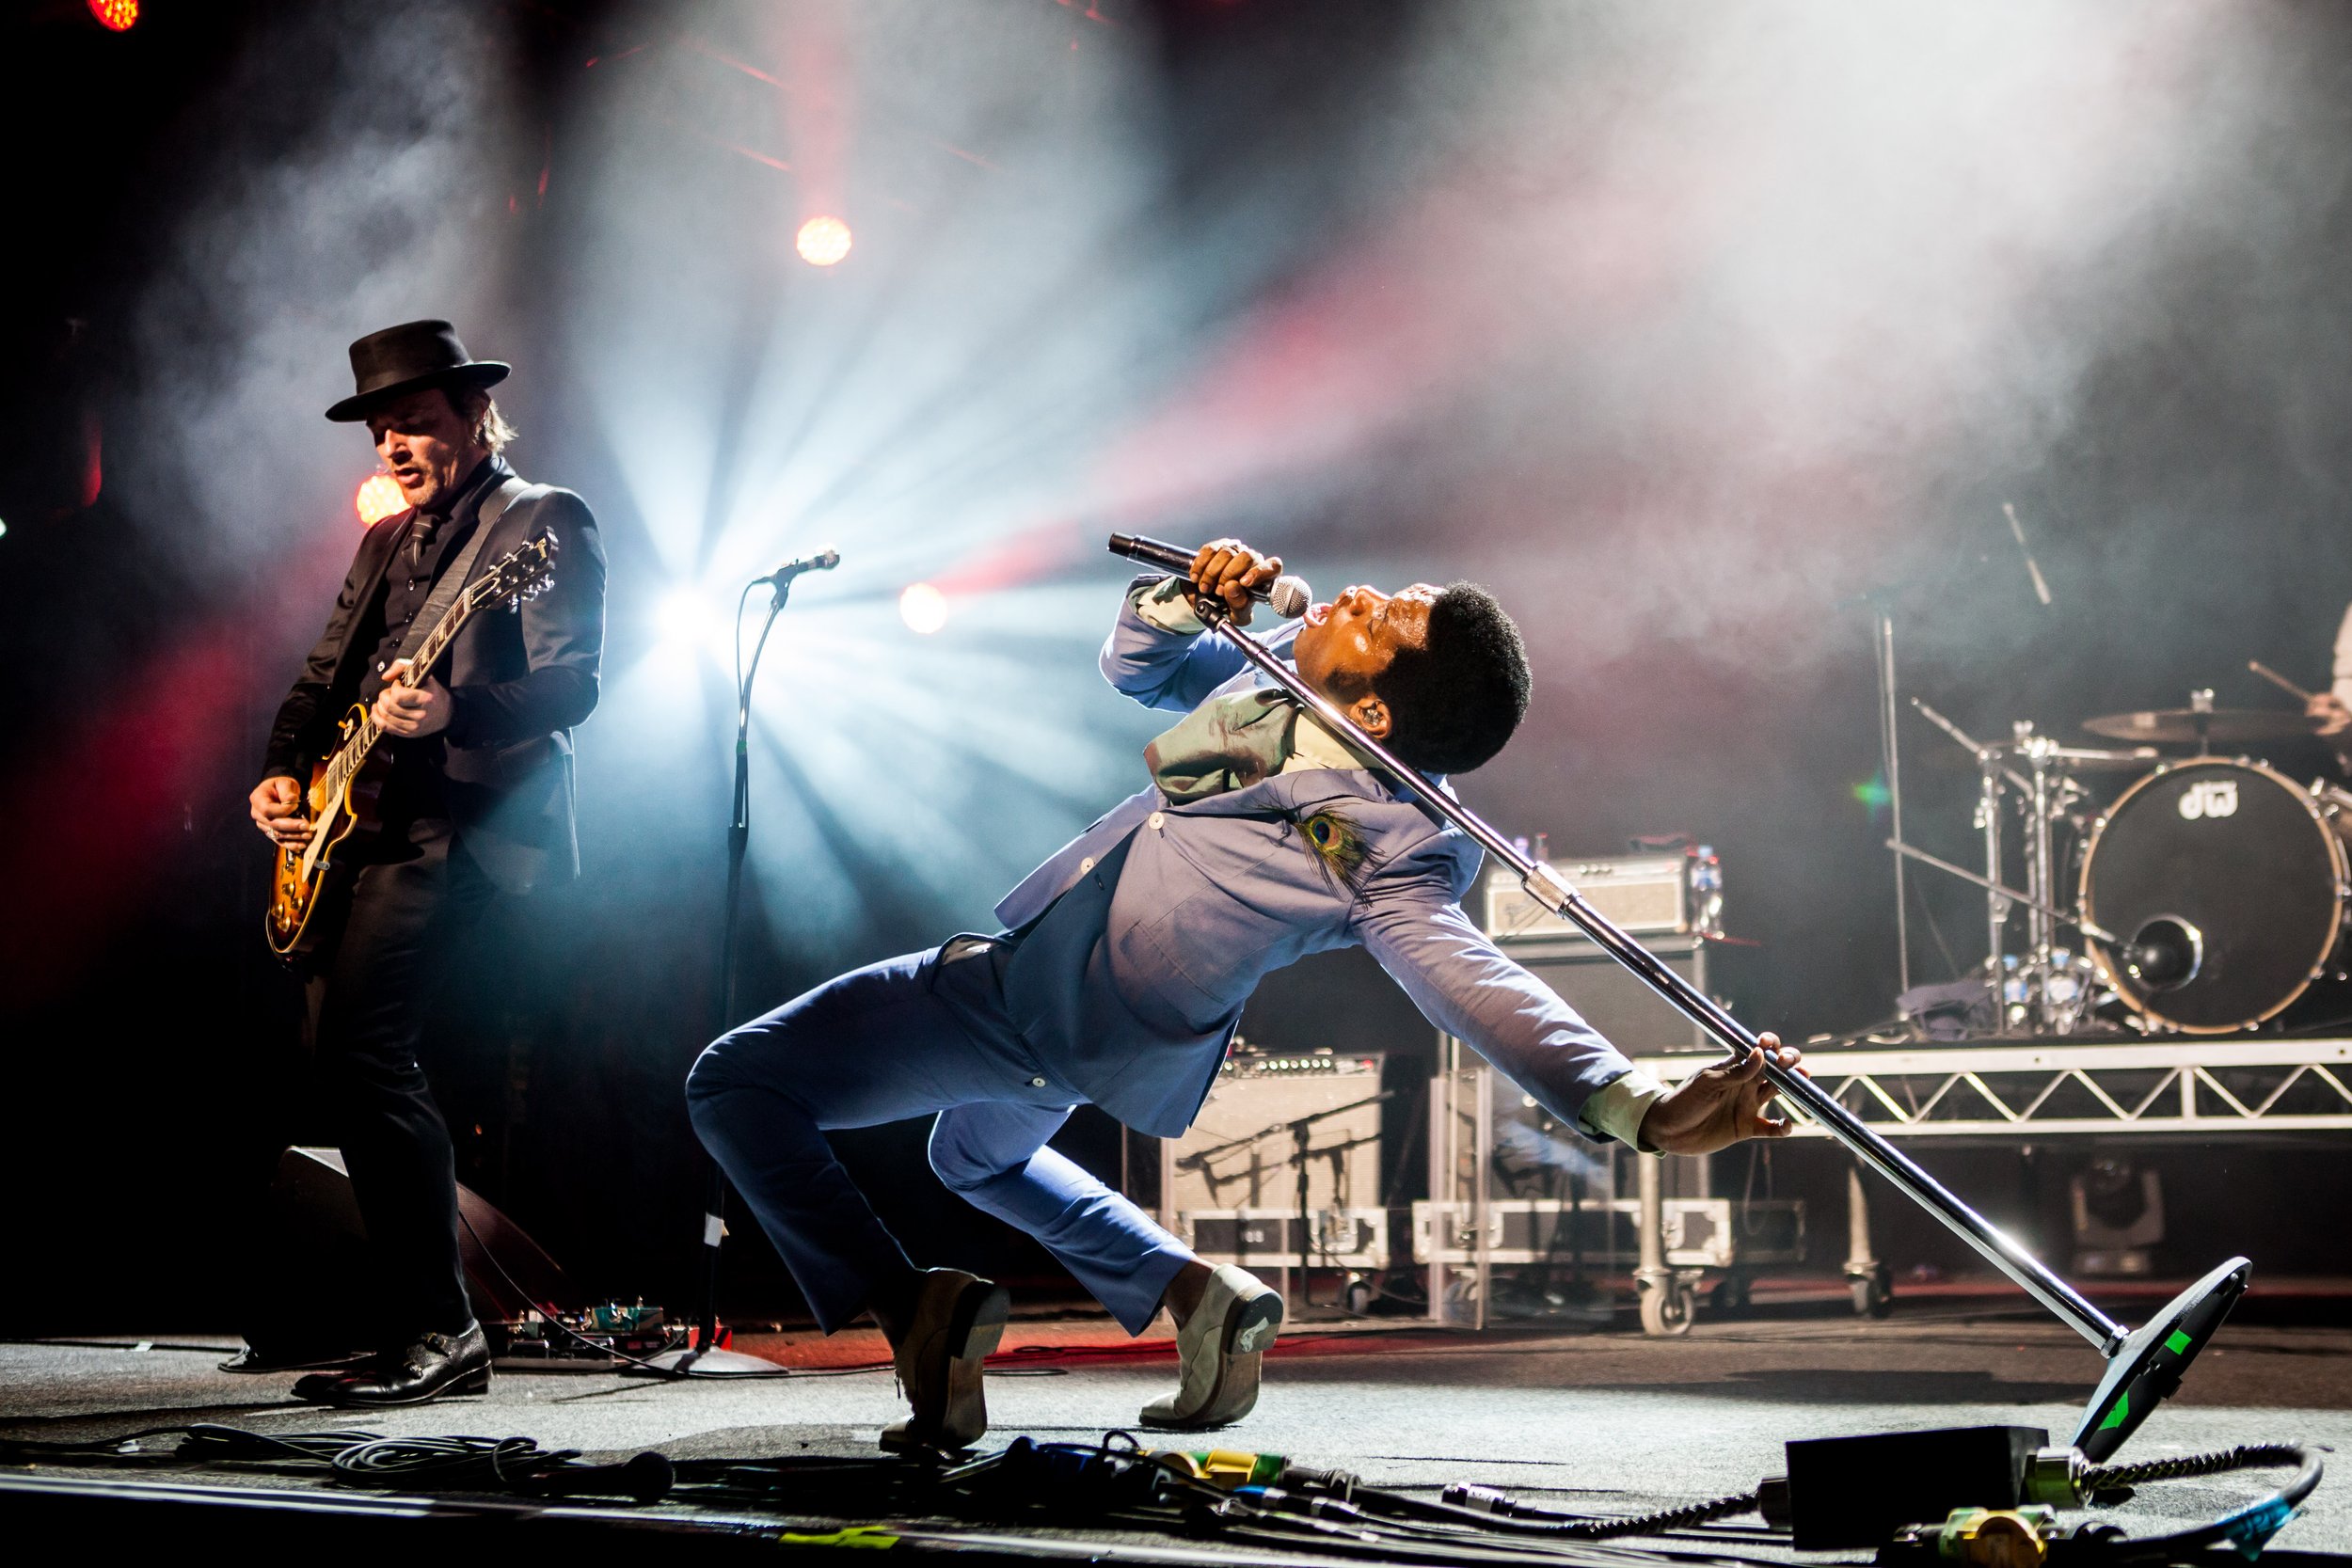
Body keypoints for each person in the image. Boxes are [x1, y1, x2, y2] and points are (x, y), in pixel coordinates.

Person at [687, 542, 1801, 1449]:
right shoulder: (1280, 672)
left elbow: (1467, 975)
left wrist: (1627, 1102)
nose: (1359, 592)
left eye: (1385, 619)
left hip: (1042, 996)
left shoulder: (1390, 835)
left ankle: (908, 1313)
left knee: (735, 1080)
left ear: (1374, 713)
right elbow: (1138, 671)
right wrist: (1178, 602)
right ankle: (1193, 1293)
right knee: (972, 1154)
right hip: (1109, 1021)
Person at [241, 320, 607, 1406]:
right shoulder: (382, 542)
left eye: (418, 422)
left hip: (458, 828)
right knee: (346, 1062)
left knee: (365, 1050)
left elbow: (576, 684)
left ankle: (443, 1326)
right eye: (382, 430)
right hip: (358, 829)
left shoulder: (541, 521)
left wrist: (455, 705)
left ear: (475, 415)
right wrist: (281, 771)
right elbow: (319, 675)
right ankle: (420, 1322)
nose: (396, 445)